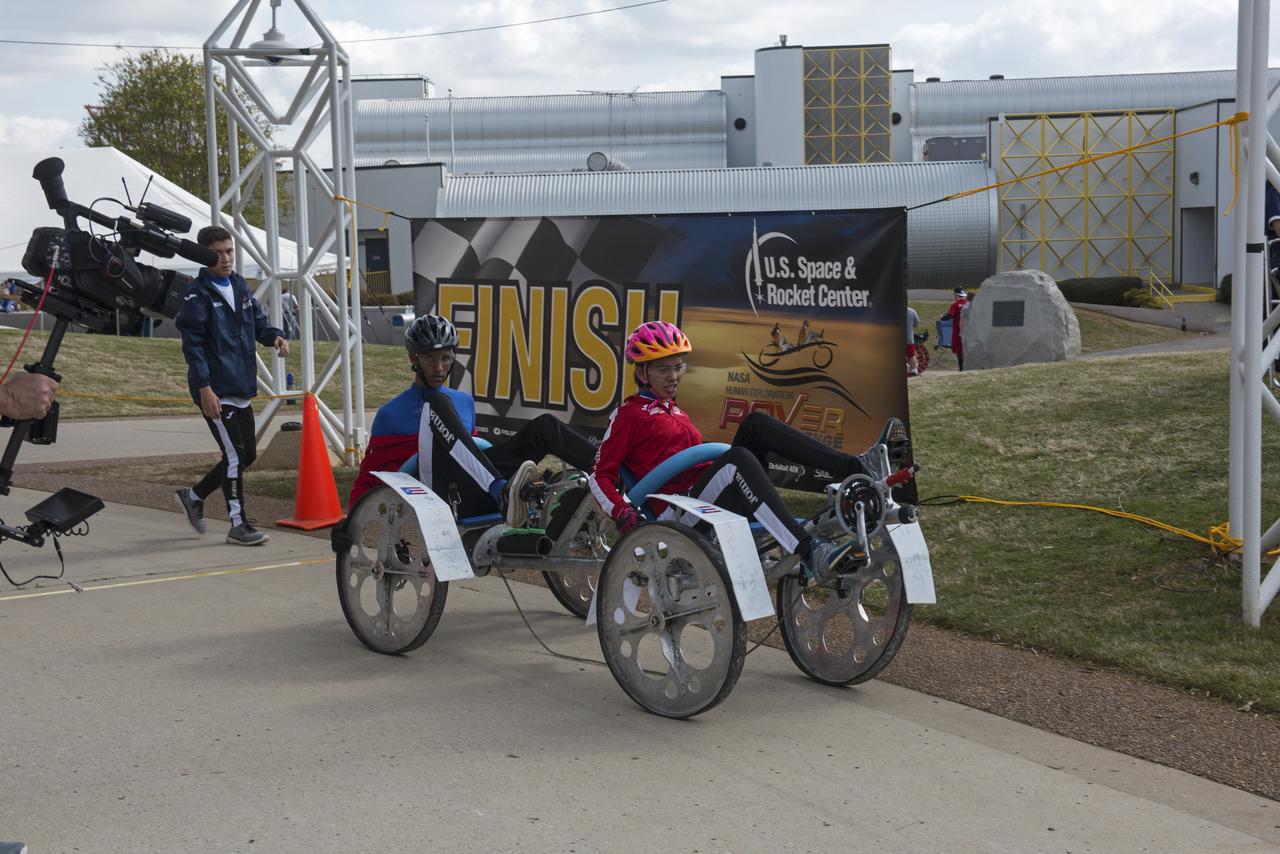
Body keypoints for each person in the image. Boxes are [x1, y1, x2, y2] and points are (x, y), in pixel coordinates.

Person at [589, 320, 907, 587]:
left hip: (705, 497)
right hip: (678, 513)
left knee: (755, 425)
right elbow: (599, 474)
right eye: (663, 370)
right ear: (642, 373)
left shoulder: (674, 411)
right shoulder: (630, 414)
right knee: (736, 462)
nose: (673, 376)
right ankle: (812, 552)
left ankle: (857, 468)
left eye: (677, 367)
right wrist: (621, 512)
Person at [348, 314, 598, 528]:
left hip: (477, 488)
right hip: (438, 495)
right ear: (414, 359)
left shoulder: (464, 402)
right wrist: (348, 526)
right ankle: (502, 491)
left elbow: (473, 450)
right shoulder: (391, 413)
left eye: (445, 358)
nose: (438, 367)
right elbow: (368, 479)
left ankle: (613, 479)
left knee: (544, 426)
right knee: (436, 403)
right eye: (429, 358)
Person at [174, 226, 289, 546]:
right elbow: (193, 346)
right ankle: (238, 524)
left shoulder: (238, 285)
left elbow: (258, 323)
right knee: (235, 456)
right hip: (215, 389)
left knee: (246, 454)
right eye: (218, 253)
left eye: (229, 252)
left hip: (240, 385)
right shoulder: (197, 294)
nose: (225, 259)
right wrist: (205, 388)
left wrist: (274, 336)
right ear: (203, 255)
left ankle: (194, 495)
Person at [942, 287, 968, 372]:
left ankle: (961, 369)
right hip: (969, 331)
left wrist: (942, 317)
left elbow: (950, 315)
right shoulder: (968, 304)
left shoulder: (955, 305)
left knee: (960, 350)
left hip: (958, 330)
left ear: (956, 295)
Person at [905, 304, 921, 375]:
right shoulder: (912, 311)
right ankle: (915, 370)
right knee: (911, 355)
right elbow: (916, 323)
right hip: (908, 338)